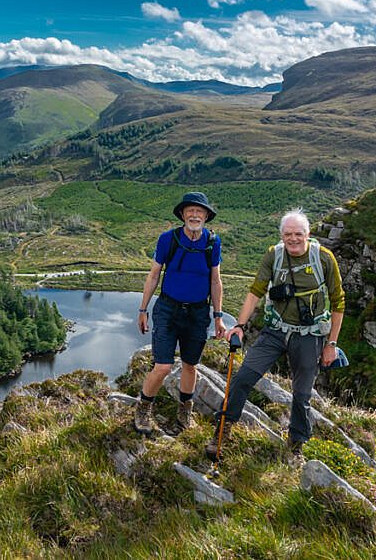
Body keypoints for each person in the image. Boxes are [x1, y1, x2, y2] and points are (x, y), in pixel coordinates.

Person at [206, 209, 344, 462]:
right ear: (281, 235)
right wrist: (240, 325)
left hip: (310, 334)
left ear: (308, 234)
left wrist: (331, 344)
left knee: (302, 394)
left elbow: (338, 302)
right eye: (288, 234)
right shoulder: (274, 255)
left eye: (298, 234)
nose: (293, 239)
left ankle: (296, 443)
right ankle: (222, 430)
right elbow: (255, 292)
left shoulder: (323, 259)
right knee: (244, 376)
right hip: (275, 330)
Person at [134, 192, 225, 435]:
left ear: (206, 216)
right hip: (168, 309)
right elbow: (154, 275)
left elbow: (215, 281)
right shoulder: (168, 239)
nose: (195, 215)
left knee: (190, 365)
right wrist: (143, 309)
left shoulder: (212, 242)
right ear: (183, 215)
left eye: (200, 211)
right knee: (162, 366)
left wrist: (218, 316)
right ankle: (143, 407)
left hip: (198, 313)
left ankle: (185, 410)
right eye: (190, 211)